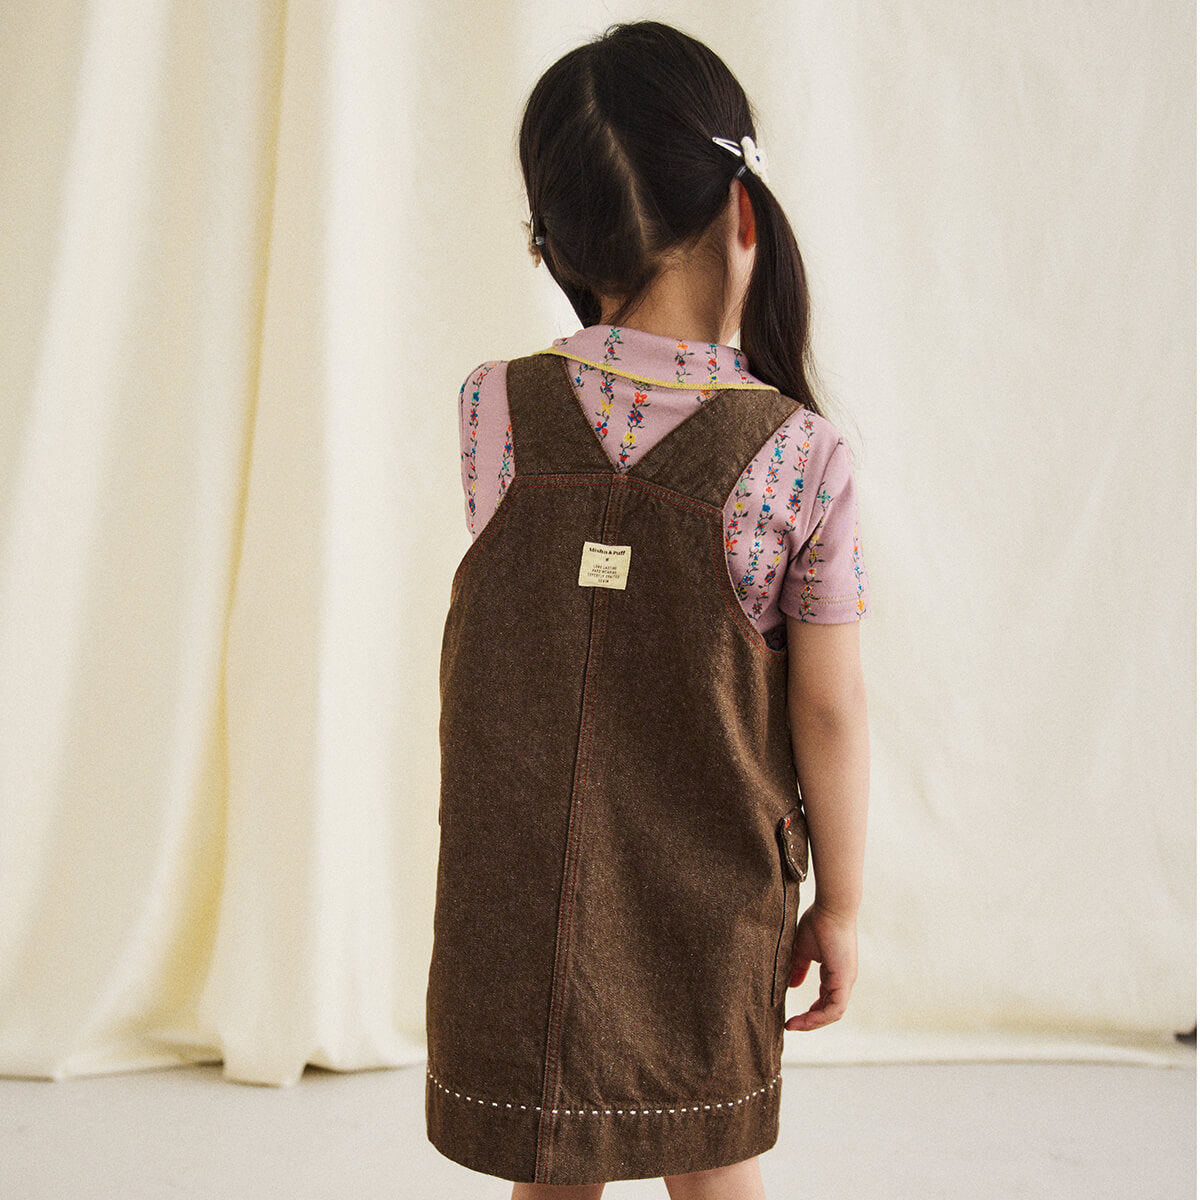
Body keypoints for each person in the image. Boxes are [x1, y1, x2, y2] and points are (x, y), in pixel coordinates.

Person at [425, 20, 870, 1200]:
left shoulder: (494, 409)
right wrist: (842, 903)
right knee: (715, 1159)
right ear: (743, 213)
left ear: (556, 242)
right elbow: (829, 711)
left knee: (549, 1162)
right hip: (706, 904)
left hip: (519, 897)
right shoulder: (801, 455)